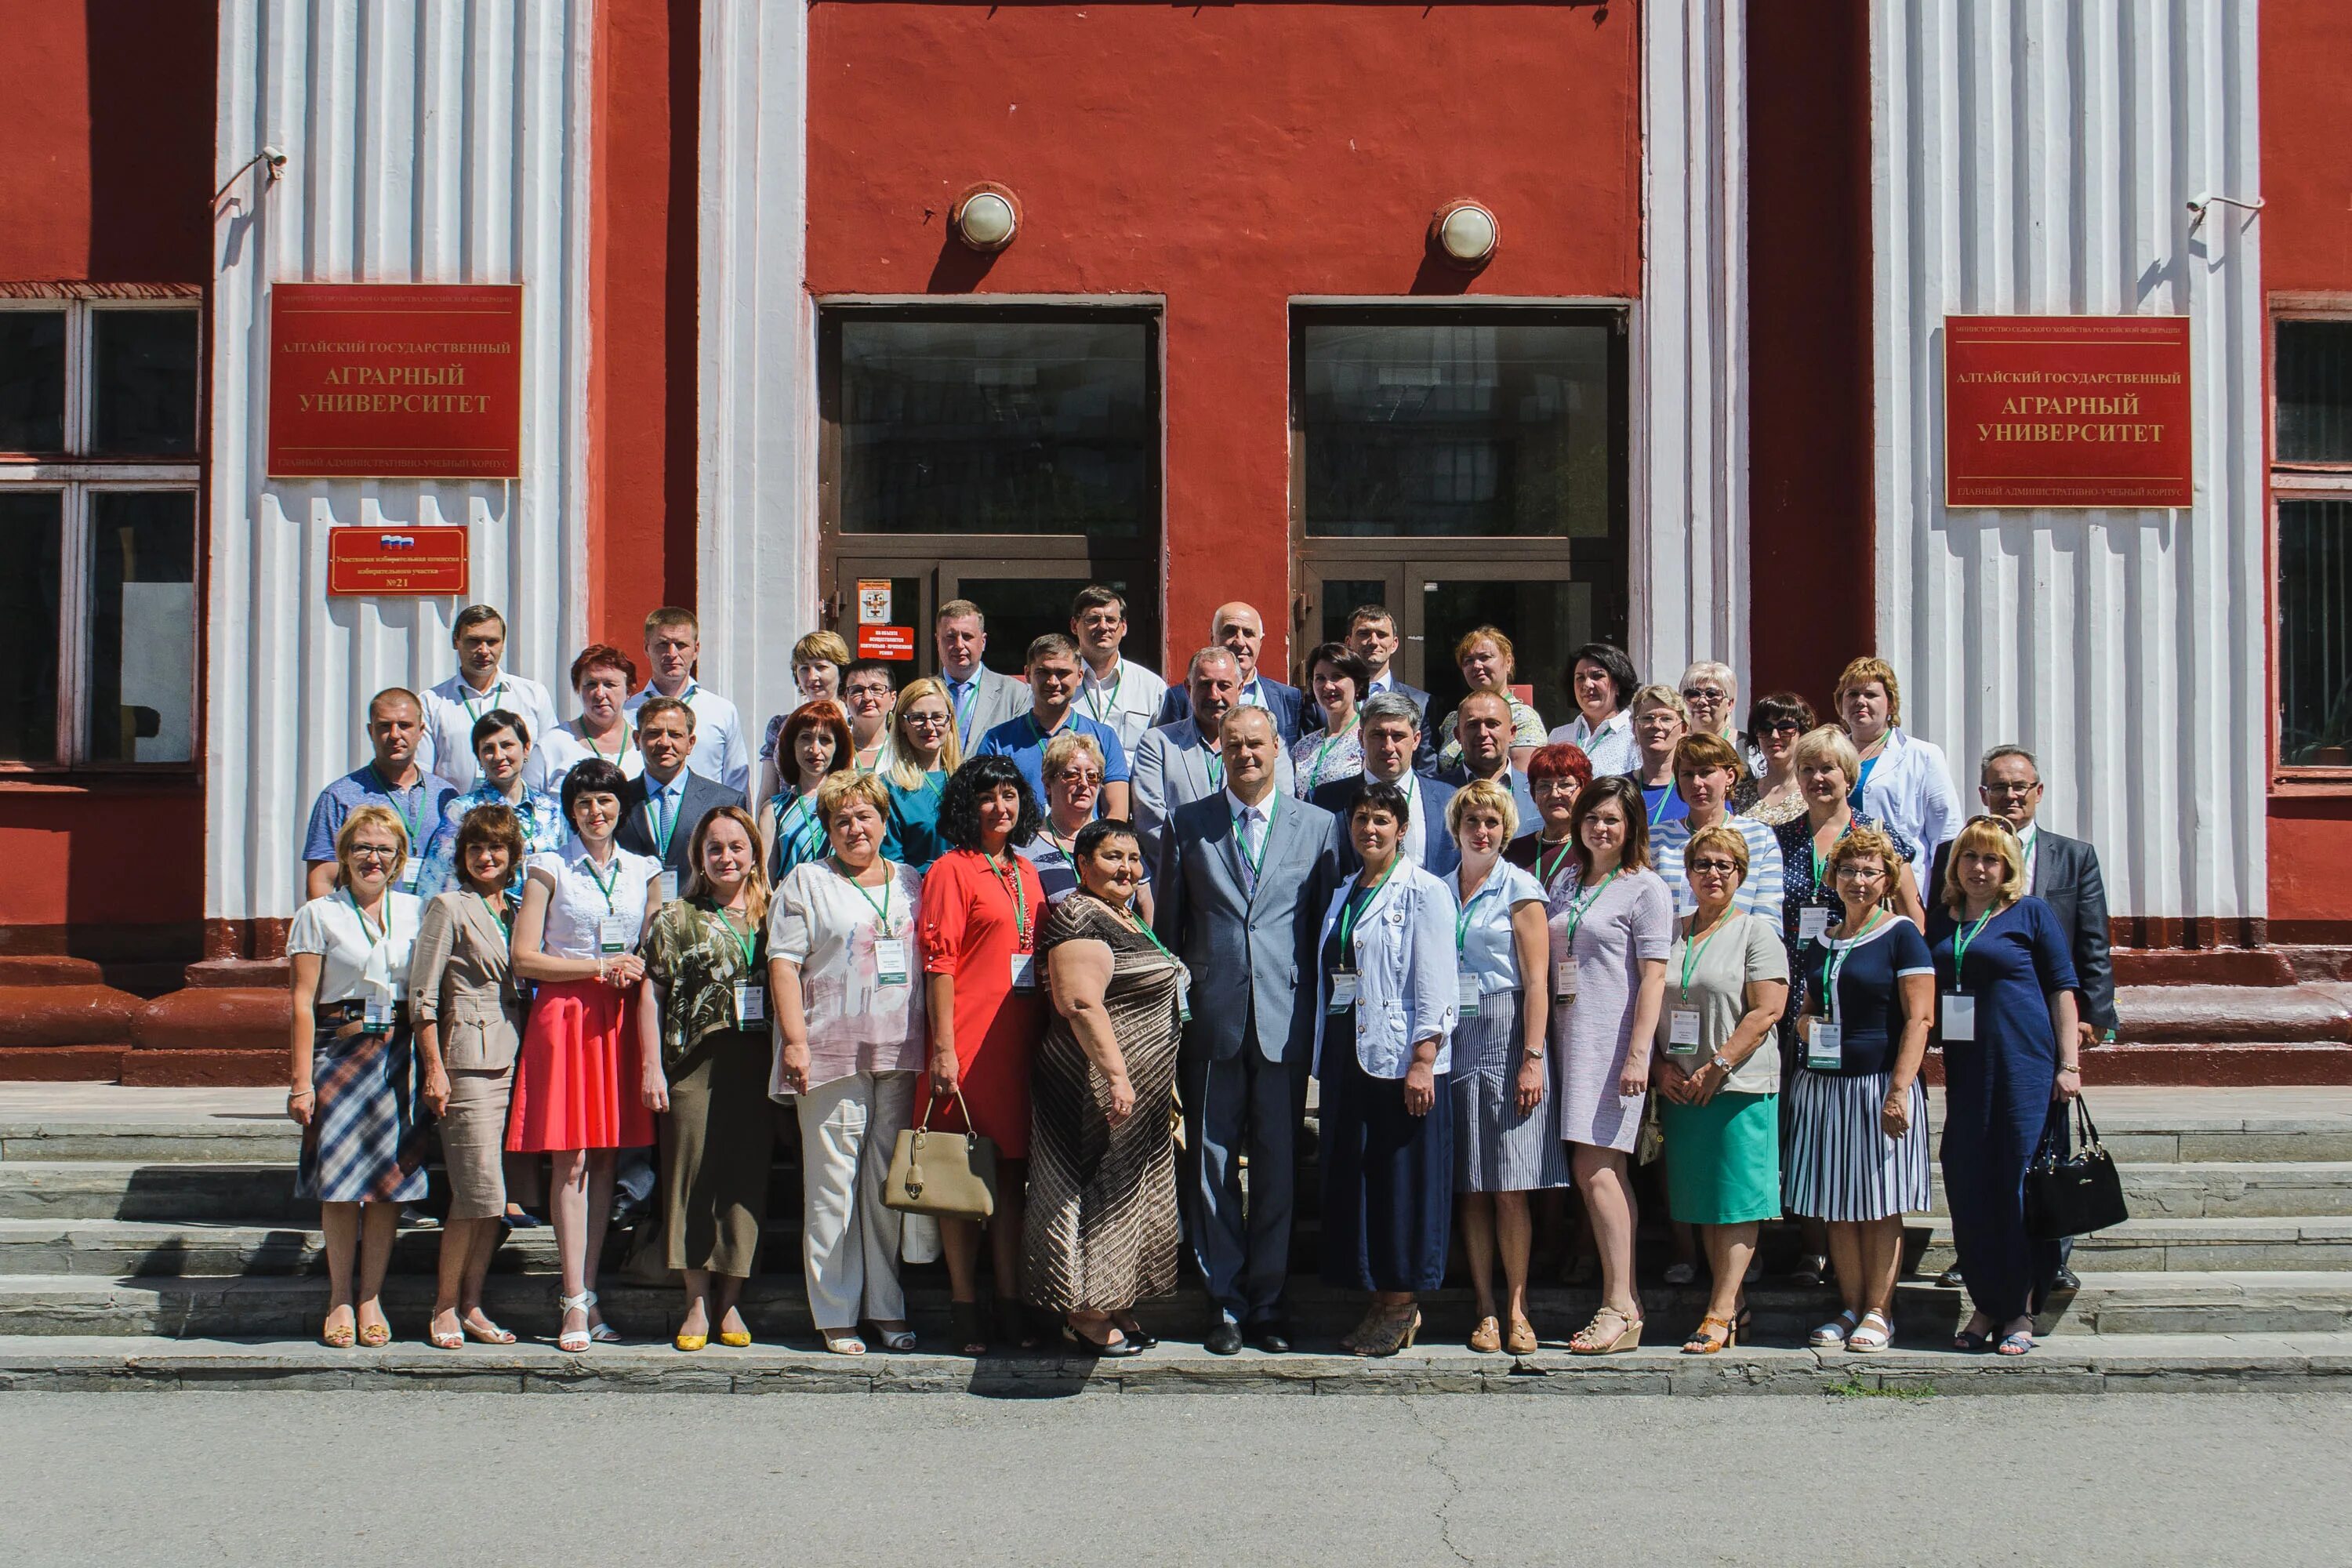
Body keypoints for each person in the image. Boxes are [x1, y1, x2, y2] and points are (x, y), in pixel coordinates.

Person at [1154, 706, 1342, 1355]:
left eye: (1256, 744)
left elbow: (1323, 932)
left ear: (1277, 747)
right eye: (1233, 745)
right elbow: (1172, 929)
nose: (1246, 755)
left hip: (1286, 1018)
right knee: (1208, 1164)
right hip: (1213, 1018)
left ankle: (1267, 1301)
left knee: (1277, 1168)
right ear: (1221, 754)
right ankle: (1224, 1302)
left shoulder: (1318, 827)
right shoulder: (1188, 824)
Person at [507, 758, 662, 1352]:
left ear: (620, 807)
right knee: (569, 1158)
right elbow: (525, 956)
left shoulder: (645, 869)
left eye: (605, 802)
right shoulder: (548, 866)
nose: (596, 813)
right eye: (584, 804)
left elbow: (653, 945)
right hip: (567, 1014)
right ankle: (571, 1297)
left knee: (605, 1161)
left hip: (621, 1017)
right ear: (571, 812)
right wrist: (598, 967)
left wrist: (632, 967)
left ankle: (591, 1292)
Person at [771, 772, 928, 1356]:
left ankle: (886, 1308)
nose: (855, 828)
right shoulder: (806, 882)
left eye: (864, 816)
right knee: (832, 1184)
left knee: (886, 1188)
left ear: (884, 820)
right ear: (828, 829)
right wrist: (794, 1043)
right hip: (830, 1051)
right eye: (842, 820)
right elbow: (784, 965)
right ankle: (836, 1311)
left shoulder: (911, 880)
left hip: (900, 1050)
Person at [1025, 819, 1187, 1355]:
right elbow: (1078, 1002)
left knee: (1123, 1193)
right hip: (1092, 1088)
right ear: (1083, 864)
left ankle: (1113, 1298)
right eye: (1113, 857)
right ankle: (1083, 1313)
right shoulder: (1078, 915)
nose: (1127, 869)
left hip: (1135, 1094)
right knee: (1092, 1192)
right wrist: (1117, 1075)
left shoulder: (1125, 915)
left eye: (1135, 858)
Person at [1314, 782, 1459, 1357]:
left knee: (1401, 1182)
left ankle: (1402, 1305)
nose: (1369, 830)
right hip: (1351, 1055)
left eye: (1380, 820)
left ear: (1402, 829)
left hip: (1402, 1062)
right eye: (1360, 821)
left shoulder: (1423, 891)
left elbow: (1438, 980)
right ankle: (1378, 1296)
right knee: (1362, 1179)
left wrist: (1424, 1059)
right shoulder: (1345, 890)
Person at [1930, 815, 2082, 1357]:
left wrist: (2070, 1065)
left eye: (1992, 859)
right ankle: (1986, 1300)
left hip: (2025, 1068)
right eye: (1970, 857)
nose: (1979, 868)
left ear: (2009, 867)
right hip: (1969, 1074)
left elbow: (2063, 992)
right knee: (1971, 1188)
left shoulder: (2030, 914)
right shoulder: (1943, 920)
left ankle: (2017, 1309)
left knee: (2019, 1190)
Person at [1786, 825, 1935, 1353]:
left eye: (1870, 871)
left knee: (1878, 1203)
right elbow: (1806, 1008)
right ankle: (1849, 1307)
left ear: (1887, 877)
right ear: (1834, 876)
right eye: (1848, 870)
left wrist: (1900, 1089)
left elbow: (1919, 1019)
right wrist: (1807, 1026)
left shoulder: (1901, 934)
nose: (1858, 880)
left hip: (1877, 1086)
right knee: (1838, 1205)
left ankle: (1880, 1311)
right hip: (1826, 1087)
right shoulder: (1824, 937)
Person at [920, 755, 1051, 1355]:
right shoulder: (952, 868)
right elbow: (938, 962)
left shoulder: (1026, 868)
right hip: (968, 1041)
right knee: (959, 1179)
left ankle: (1011, 1302)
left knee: (1011, 1179)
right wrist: (943, 1048)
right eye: (988, 797)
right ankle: (965, 1306)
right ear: (967, 808)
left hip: (1019, 1039)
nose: (1001, 807)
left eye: (1009, 795)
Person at [285, 805, 426, 1348]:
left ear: (399, 859)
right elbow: (300, 1003)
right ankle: (340, 1295)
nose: (373, 858)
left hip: (399, 1056)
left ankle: (372, 1295)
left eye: (384, 849)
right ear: (344, 856)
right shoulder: (319, 915)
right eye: (363, 848)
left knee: (387, 1187)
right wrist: (301, 1081)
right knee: (341, 1186)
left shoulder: (416, 911)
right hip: (340, 1055)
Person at [637, 806, 773, 1353]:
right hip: (694, 1060)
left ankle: (731, 1298)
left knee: (745, 1178)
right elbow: (653, 992)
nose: (726, 857)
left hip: (757, 1060)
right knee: (691, 1177)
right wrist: (651, 1064)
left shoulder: (774, 911)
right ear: (699, 857)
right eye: (714, 847)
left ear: (754, 852)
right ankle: (695, 1299)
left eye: (736, 846)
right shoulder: (676, 917)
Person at [1652, 825, 1790, 1354]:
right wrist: (1664, 1064)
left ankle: (1721, 1310)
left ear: (1740, 875)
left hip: (1736, 1086)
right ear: (1687, 873)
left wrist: (1719, 1064)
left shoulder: (1755, 931)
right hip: (1684, 1088)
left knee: (1736, 1201)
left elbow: (1768, 1009)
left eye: (1724, 866)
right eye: (1703, 864)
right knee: (1705, 1201)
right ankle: (1732, 1305)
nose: (1712, 874)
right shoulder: (1672, 931)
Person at [1547, 775, 1671, 1355]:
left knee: (1598, 1171)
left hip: (1611, 1045)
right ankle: (1627, 1302)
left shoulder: (1644, 887)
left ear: (1631, 829)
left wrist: (1639, 1054)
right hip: (1567, 1040)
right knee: (1594, 1171)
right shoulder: (1567, 879)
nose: (1601, 827)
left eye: (1613, 820)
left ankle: (1619, 1304)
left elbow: (1653, 978)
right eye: (1593, 817)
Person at [1444, 780, 1560, 1356]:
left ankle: (1518, 1307)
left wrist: (1533, 1059)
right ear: (1457, 829)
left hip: (1508, 1031)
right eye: (1472, 822)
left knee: (1511, 1184)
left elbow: (1539, 980)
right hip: (1456, 1033)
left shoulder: (1522, 887)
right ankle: (1484, 1309)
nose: (1482, 832)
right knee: (1471, 1186)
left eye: (1491, 822)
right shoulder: (1439, 890)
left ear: (1506, 829)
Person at [409, 804, 529, 1349]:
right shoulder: (448, 906)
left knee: (499, 1198)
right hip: (467, 1063)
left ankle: (474, 1304)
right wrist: (433, 1068)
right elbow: (423, 995)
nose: (487, 856)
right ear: (463, 855)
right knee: (476, 1192)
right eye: (477, 847)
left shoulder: (520, 909)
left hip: (518, 1059)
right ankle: (443, 1307)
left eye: (497, 848)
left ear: (512, 856)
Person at [1933, 746, 2120, 1055]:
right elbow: (1939, 926)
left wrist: (2093, 1012)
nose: (2011, 795)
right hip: (1975, 1006)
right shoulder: (1953, 854)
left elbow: (2094, 942)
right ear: (1984, 794)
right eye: (1999, 787)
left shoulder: (2074, 857)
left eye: (2020, 786)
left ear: (2039, 791)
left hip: (2049, 1005)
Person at [1776, 726, 1927, 975]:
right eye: (1807, 769)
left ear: (1848, 776)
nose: (1817, 778)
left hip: (1859, 970)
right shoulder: (1782, 838)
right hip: (1792, 971)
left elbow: (1913, 917)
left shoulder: (1878, 836)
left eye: (1827, 768)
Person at [1130, 647, 1297, 861]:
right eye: (1205, 685)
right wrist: (1203, 867)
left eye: (1224, 685)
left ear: (1240, 687)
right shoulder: (1157, 744)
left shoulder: (1268, 745)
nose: (1214, 694)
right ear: (1189, 688)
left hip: (1252, 869)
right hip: (1182, 876)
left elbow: (1281, 807)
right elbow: (1151, 821)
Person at [300, 688, 459, 900]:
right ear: (371, 731)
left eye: (405, 726)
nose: (395, 735)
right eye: (385, 726)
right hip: (366, 923)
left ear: (421, 731)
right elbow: (322, 880)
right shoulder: (339, 797)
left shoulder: (446, 795)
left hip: (433, 923)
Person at [413, 710, 568, 901]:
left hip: (544, 923)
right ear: (478, 757)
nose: (498, 756)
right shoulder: (462, 810)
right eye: (488, 749)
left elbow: (566, 875)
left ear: (526, 748)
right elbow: (436, 881)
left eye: (507, 745)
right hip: (485, 923)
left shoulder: (551, 811)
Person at [975, 633, 1132, 821]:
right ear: (1027, 674)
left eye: (1063, 673)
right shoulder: (998, 740)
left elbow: (1117, 813)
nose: (1053, 682)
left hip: (1084, 847)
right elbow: (982, 806)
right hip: (1018, 848)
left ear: (1080, 676)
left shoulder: (1104, 737)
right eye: (1043, 672)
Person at [1310, 691, 1458, 876]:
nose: (1388, 747)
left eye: (1398, 736)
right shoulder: (1325, 801)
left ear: (1416, 740)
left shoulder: (1449, 799)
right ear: (1361, 739)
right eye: (1378, 735)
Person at [419, 605, 560, 793]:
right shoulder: (431, 703)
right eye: (474, 641)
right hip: (458, 816)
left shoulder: (534, 696)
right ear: (456, 641)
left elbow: (551, 763)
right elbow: (423, 775)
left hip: (522, 816)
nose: (484, 650)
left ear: (502, 643)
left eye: (492, 642)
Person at [617, 696, 747, 898]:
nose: (664, 743)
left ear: (691, 743)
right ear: (637, 739)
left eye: (675, 735)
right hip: (635, 917)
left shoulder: (725, 801)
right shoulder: (618, 800)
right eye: (653, 733)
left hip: (702, 918)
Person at [1650, 734, 1786, 924]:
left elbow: (1768, 916)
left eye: (1706, 772)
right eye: (1688, 774)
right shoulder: (1656, 838)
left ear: (1729, 776)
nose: (1696, 783)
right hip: (1671, 950)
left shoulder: (1759, 836)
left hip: (1737, 949)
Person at [1835, 655, 1962, 859]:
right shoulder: (1829, 755)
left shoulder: (1923, 755)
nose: (1860, 701)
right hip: (1840, 878)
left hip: (1901, 879)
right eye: (1852, 694)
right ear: (1840, 704)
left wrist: (1941, 891)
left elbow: (1946, 833)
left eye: (1870, 695)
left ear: (1891, 705)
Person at [625, 607, 750, 796]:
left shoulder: (722, 711)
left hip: (708, 820)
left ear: (696, 650)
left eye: (681, 645)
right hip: (645, 817)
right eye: (662, 644)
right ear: (646, 648)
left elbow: (737, 784)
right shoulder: (628, 712)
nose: (672, 653)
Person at [1151, 601, 1307, 746]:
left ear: (1260, 641)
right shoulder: (1181, 698)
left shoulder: (1289, 698)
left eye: (1248, 633)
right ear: (1212, 637)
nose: (1240, 642)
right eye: (1230, 632)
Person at [1325, 604, 1438, 772]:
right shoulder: (1325, 700)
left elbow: (1426, 768)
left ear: (1394, 644)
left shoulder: (1421, 703)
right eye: (1364, 634)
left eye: (1382, 635)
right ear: (1348, 642)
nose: (1373, 642)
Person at [755, 631, 854, 808]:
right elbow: (768, 792)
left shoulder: (855, 724)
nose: (812, 677)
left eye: (821, 667)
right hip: (790, 822)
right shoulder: (780, 726)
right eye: (804, 668)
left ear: (841, 670)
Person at [762, 700, 853, 886]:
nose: (815, 749)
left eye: (825, 740)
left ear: (838, 747)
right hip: (792, 909)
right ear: (792, 745)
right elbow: (765, 883)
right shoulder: (774, 810)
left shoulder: (851, 802)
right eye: (806, 738)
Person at [1071, 584, 1167, 753]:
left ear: (1124, 627)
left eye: (1111, 620)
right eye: (1093, 620)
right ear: (1074, 626)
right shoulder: (1060, 685)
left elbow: (1164, 751)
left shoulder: (1152, 687)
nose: (1103, 626)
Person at [1015, 731, 1109, 906]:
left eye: (1092, 776)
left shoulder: (1115, 839)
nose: (1084, 783)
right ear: (1048, 784)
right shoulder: (1025, 848)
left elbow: (1143, 902)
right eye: (1072, 774)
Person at [879, 677, 960, 873]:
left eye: (938, 717)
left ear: (950, 721)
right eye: (918, 718)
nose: (930, 727)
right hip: (917, 893)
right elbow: (891, 864)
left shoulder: (968, 780)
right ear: (902, 723)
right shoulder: (889, 787)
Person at [1436, 627, 1546, 771]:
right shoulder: (1453, 720)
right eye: (1468, 661)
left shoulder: (1523, 718)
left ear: (1508, 662)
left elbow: (1524, 782)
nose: (1476, 666)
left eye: (1485, 657)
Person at [538, 644, 645, 786]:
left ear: (629, 690)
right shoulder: (551, 745)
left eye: (610, 684)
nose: (600, 693)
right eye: (591, 684)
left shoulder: (646, 745)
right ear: (578, 689)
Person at [935, 599, 1033, 750]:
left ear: (983, 641)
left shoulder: (1015, 694)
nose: (959, 645)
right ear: (937, 641)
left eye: (967, 636)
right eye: (950, 637)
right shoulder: (920, 694)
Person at [1437, 688, 1538, 829]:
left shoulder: (1538, 791)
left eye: (1492, 724)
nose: (1483, 733)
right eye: (1473, 725)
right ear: (1458, 735)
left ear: (1512, 733)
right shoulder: (1434, 793)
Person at [1547, 641, 1641, 778]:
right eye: (1580, 678)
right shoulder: (1558, 737)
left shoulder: (1635, 736)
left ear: (1619, 684)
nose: (1587, 684)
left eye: (1597, 676)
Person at [1505, 742, 1593, 888]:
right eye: (1544, 786)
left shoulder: (1593, 850)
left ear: (1584, 790)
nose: (1554, 794)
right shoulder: (1512, 852)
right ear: (1534, 794)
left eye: (1565, 785)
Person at [1290, 642, 1371, 797]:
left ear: (1358, 684)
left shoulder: (1369, 740)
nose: (1328, 686)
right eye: (1320, 678)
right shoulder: (1303, 746)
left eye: (1337, 677)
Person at [1744, 691, 1816, 828]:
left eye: (1785, 727)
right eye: (1765, 728)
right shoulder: (1741, 794)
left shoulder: (1814, 791)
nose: (1775, 735)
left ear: (1802, 732)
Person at [1627, 684, 1692, 830]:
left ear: (1683, 729)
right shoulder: (1617, 789)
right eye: (1647, 718)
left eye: (1666, 719)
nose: (1656, 725)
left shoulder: (1698, 787)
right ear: (1633, 728)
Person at [840, 659, 897, 772]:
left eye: (876, 689)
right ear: (845, 699)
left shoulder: (904, 753)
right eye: (857, 690)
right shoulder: (836, 750)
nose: (867, 697)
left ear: (893, 699)